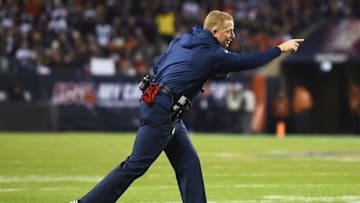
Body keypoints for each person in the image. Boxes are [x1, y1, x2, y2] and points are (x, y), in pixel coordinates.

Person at [71, 10, 303, 203]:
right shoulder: (213, 54)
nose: (233, 35)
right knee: (135, 165)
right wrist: (279, 49)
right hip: (163, 110)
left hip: (166, 108)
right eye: (229, 30)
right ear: (214, 32)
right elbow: (246, 61)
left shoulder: (183, 40)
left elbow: (160, 64)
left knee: (189, 163)